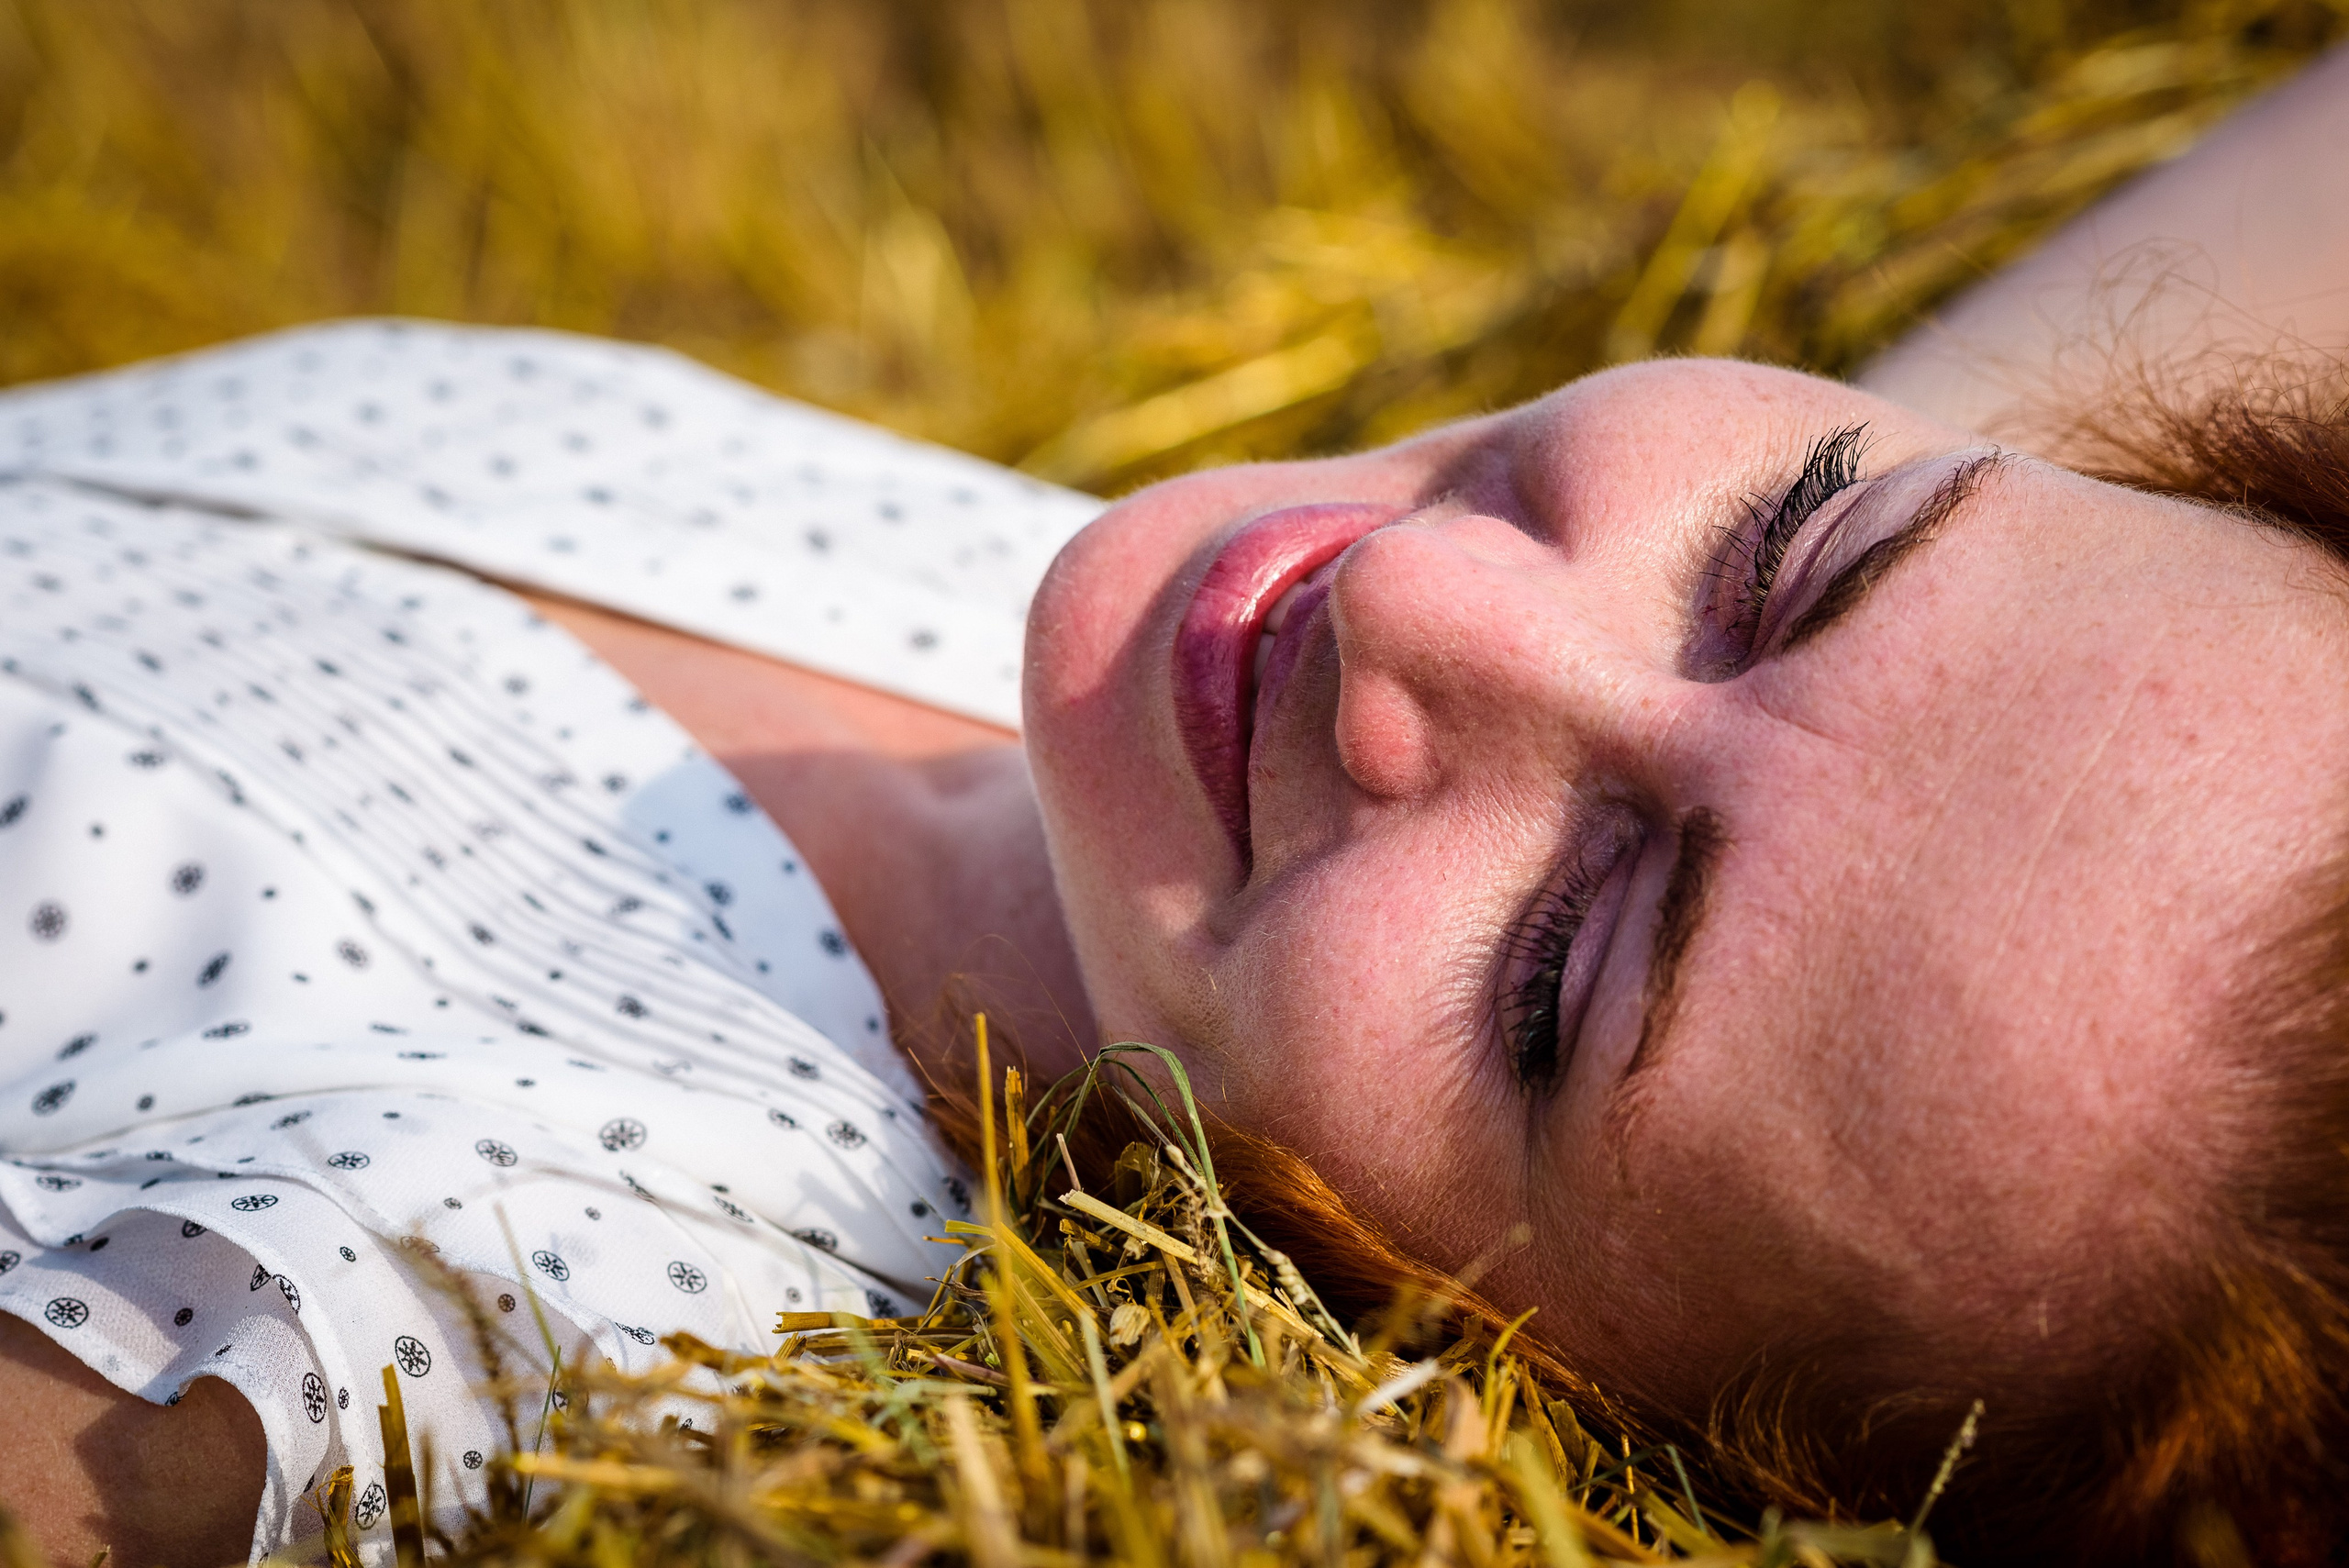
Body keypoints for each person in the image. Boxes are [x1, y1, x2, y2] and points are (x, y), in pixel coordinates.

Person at [6, 39, 2349, 1568]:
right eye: (1796, 551)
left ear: (1559, 1406)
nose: (1423, 604)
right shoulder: (1939, 751)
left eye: (1555, 973)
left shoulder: (466, 1279)